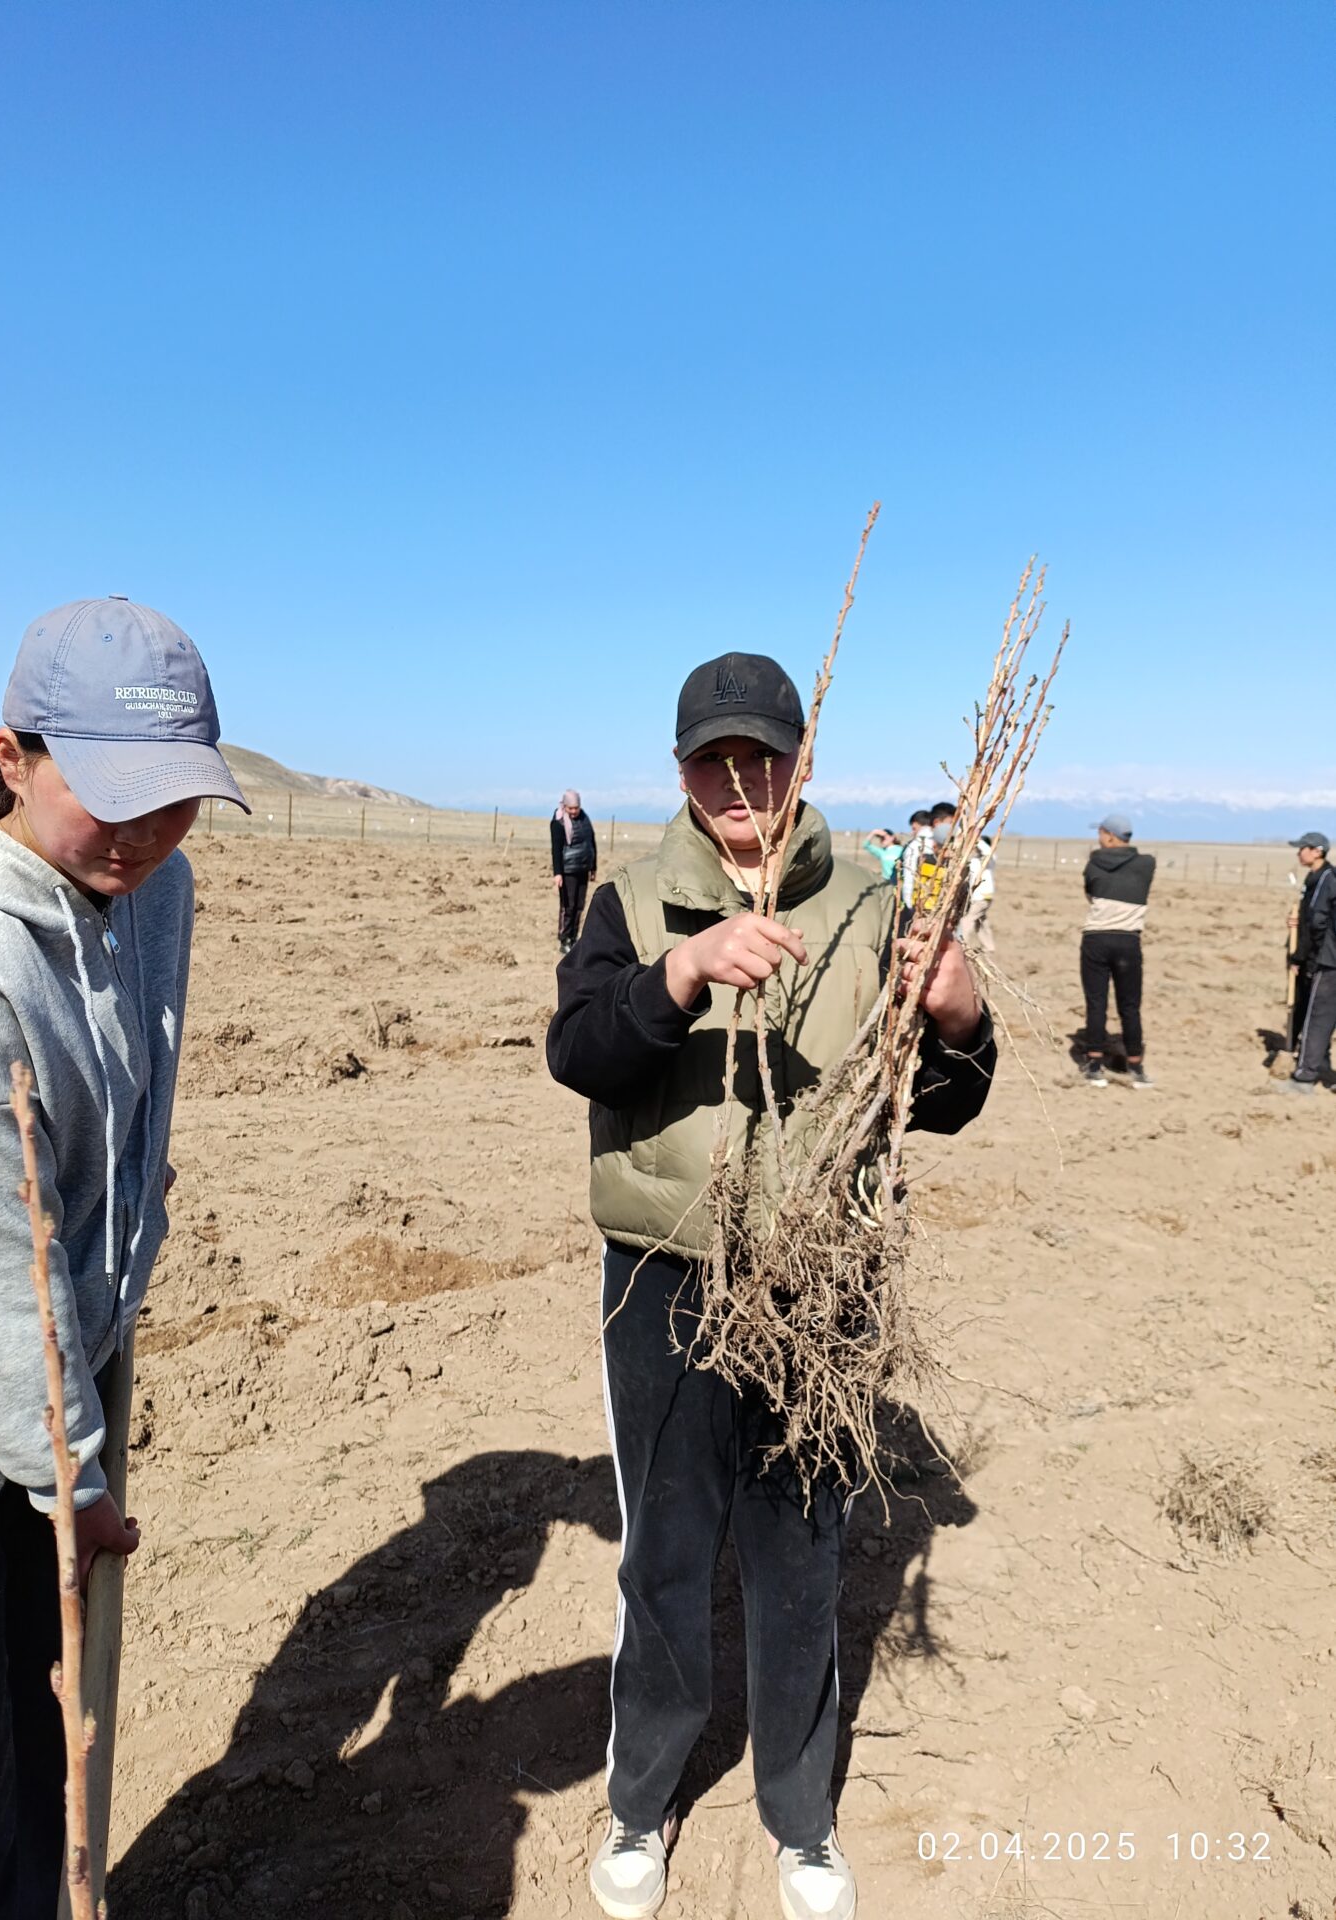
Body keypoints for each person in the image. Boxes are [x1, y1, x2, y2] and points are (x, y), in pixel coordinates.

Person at [546, 651, 995, 1920]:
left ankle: (801, 1818)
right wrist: (682, 977)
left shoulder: (867, 904)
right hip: (664, 1283)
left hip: (816, 1288)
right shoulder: (630, 902)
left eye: (764, 755)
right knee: (665, 1555)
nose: (740, 779)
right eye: (713, 758)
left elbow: (937, 1106)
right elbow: (579, 1053)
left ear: (803, 761)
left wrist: (956, 1017)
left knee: (801, 1560)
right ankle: (640, 1800)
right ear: (679, 768)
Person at [0, 597, 248, 1919]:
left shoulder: (156, 889)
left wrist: (96, 1381)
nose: (151, 833)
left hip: (72, 1357)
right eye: (115, 796)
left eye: (178, 799)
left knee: (39, 1720)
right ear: (16, 753)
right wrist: (76, 1480)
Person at [1079, 811, 1156, 1087]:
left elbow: (1090, 893)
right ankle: (1136, 1066)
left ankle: (1095, 1064)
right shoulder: (1147, 864)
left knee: (1096, 1002)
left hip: (1096, 939)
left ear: (1109, 836)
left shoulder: (1093, 864)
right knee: (1130, 1005)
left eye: (1100, 833)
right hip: (1128, 940)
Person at [1286, 830, 1336, 1093]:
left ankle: (1304, 1077)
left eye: (1303, 848)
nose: (1298, 853)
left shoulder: (1328, 879)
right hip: (1325, 956)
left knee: (1317, 1017)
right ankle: (1323, 1065)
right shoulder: (1316, 879)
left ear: (1317, 851)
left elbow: (1317, 922)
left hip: (1328, 961)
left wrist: (1303, 957)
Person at [552, 787, 599, 954]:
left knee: (579, 906)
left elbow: (590, 841)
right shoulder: (558, 822)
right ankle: (564, 939)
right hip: (568, 870)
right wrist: (557, 873)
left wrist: (593, 866)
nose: (573, 811)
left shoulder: (584, 818)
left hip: (583, 868)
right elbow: (556, 849)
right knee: (568, 906)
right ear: (564, 806)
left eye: (576, 808)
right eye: (570, 808)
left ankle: (574, 938)